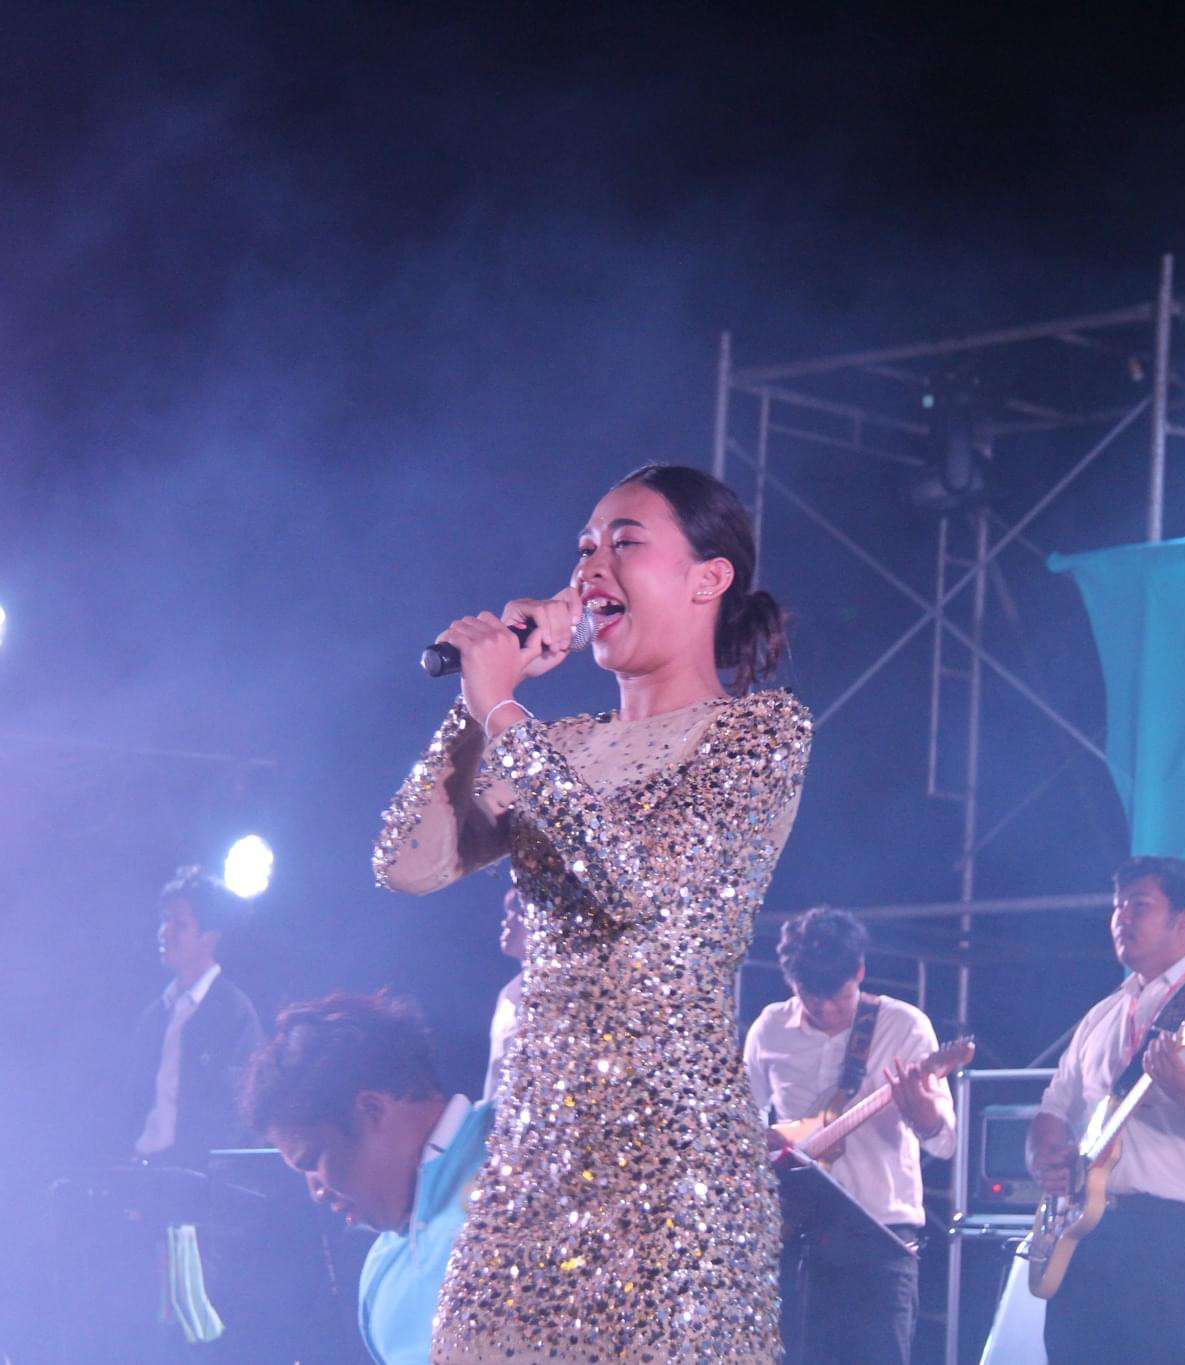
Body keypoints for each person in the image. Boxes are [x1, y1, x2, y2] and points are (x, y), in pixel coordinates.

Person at [374, 463, 811, 1362]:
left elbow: (634, 882)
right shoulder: (561, 744)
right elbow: (406, 863)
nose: (590, 567)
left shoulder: (759, 735)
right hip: (529, 1170)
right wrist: (474, 712)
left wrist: (502, 708)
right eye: (583, 548)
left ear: (708, 577)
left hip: (669, 1175)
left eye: (625, 542)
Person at [1025, 857, 1185, 1365]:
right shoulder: (1103, 1014)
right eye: (1117, 907)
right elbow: (1054, 1108)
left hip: (1175, 1244)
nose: (1121, 918)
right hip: (1086, 1239)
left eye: (1138, 906)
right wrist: (1044, 1159)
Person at [744, 907, 957, 1364]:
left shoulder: (904, 1026)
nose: (823, 1010)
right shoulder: (769, 1029)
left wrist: (921, 1112)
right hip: (795, 1240)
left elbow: (944, 1141)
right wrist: (764, 1145)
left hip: (880, 1242)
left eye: (837, 998)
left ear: (859, 972)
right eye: (809, 997)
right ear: (790, 981)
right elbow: (740, 1128)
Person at [243, 992, 493, 1365]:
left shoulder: (530, 1147)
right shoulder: (380, 1278)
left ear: (371, 1110)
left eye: (314, 1159)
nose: (316, 1190)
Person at [132, 866, 266, 1167]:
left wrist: (213, 1174)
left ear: (209, 937)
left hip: (196, 1178)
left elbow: (246, 1108)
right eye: (164, 920)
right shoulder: (154, 1016)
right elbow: (134, 1100)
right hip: (145, 1171)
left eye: (179, 924)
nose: (165, 932)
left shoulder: (233, 1012)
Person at [482, 888, 526, 1103]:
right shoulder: (507, 994)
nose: (506, 921)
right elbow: (495, 1072)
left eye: (515, 911)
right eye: (507, 912)